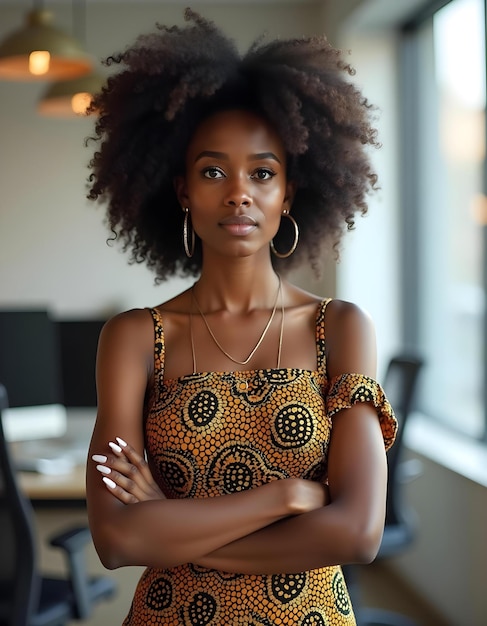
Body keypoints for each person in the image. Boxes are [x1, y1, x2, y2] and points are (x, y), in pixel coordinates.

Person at [86, 9, 397, 625]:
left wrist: (176, 531)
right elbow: (118, 540)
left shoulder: (340, 328)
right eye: (212, 172)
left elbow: (358, 532)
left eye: (262, 173)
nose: (239, 193)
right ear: (181, 191)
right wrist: (286, 498)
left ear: (288, 194)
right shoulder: (134, 338)